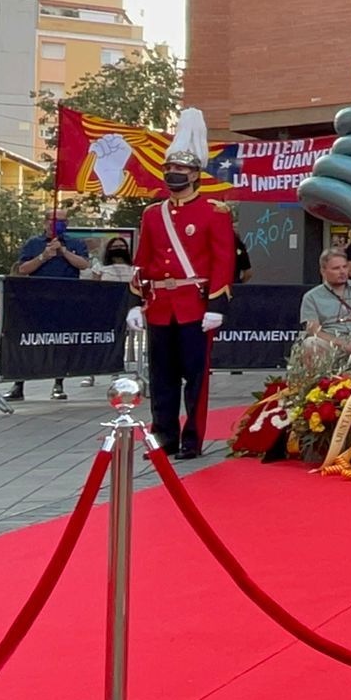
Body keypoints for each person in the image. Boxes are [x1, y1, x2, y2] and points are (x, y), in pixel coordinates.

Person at [127, 109, 236, 460]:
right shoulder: (152, 214)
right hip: (160, 304)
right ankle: (164, 436)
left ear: (195, 174)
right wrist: (134, 300)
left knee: (196, 379)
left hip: (195, 303)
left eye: (182, 170)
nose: (174, 174)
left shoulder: (214, 211)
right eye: (170, 169)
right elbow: (142, 258)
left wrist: (217, 305)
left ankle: (192, 439)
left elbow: (223, 260)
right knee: (162, 378)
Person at [12, 208, 91, 401]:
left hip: (65, 300)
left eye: (63, 221)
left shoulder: (75, 243)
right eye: (54, 220)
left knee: (60, 343)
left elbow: (83, 264)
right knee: (29, 341)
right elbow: (22, 268)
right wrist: (43, 256)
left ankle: (58, 384)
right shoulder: (33, 244)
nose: (57, 224)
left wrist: (63, 251)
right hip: (37, 299)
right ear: (45, 222)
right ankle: (18, 384)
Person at [295, 247, 351, 373]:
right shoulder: (311, 297)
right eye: (336, 268)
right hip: (331, 342)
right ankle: (318, 387)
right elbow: (313, 331)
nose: (342, 272)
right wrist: (342, 343)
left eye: (344, 267)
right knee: (311, 343)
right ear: (323, 271)